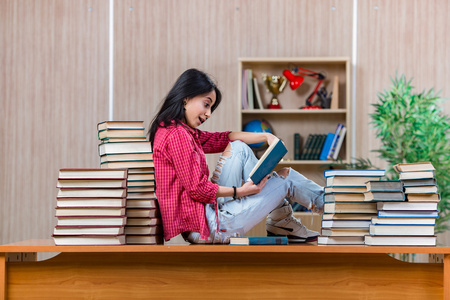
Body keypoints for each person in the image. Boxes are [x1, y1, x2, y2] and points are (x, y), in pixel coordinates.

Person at [149, 68, 324, 244]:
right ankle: (334, 209)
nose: (208, 114)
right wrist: (240, 192)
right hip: (208, 226)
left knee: (239, 148)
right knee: (286, 178)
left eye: (211, 108)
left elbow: (223, 138)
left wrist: (266, 136)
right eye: (206, 104)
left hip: (206, 217)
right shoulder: (177, 135)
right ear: (186, 98)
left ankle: (282, 221)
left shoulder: (177, 130)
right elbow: (198, 189)